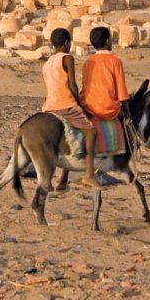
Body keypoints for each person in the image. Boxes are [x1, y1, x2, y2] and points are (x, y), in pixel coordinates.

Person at [41, 28, 100, 188]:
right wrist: (81, 105)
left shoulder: (47, 63)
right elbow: (72, 84)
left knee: (71, 135)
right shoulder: (67, 58)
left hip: (48, 107)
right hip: (65, 104)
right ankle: (89, 174)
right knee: (90, 131)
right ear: (67, 43)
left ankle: (63, 179)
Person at [82, 26, 129, 124]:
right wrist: (128, 114)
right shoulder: (115, 61)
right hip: (108, 110)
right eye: (111, 38)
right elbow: (122, 92)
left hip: (89, 108)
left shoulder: (87, 62)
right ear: (107, 41)